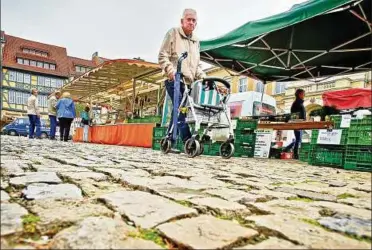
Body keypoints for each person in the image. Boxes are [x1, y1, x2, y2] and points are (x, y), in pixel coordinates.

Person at [158, 8, 206, 152]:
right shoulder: (173, 33)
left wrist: (205, 78)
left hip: (189, 83)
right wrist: (170, 69)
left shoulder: (196, 41)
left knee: (180, 111)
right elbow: (162, 55)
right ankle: (188, 141)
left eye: (194, 20)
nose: (191, 22)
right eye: (189, 19)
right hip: (175, 78)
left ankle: (168, 140)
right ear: (182, 21)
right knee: (181, 110)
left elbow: (196, 66)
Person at [284, 89, 306, 159]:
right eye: (303, 94)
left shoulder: (299, 103)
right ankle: (294, 153)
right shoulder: (297, 103)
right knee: (298, 139)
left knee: (298, 139)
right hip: (297, 122)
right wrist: (301, 120)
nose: (304, 95)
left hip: (299, 123)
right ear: (299, 94)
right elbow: (295, 114)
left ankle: (290, 151)